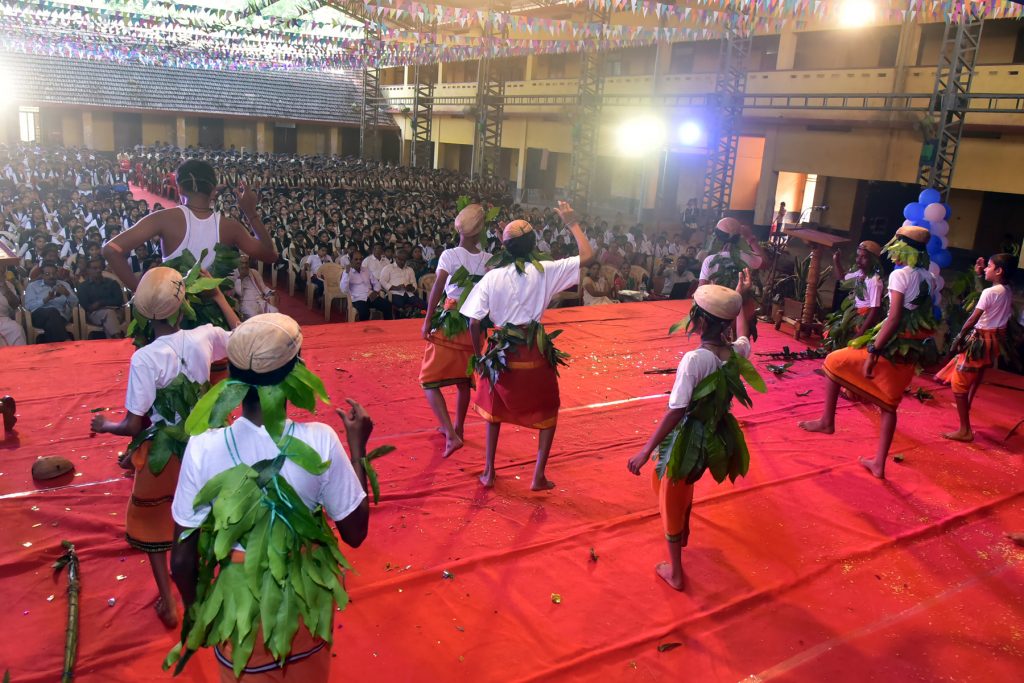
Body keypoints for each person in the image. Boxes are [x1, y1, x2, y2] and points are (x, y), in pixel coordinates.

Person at [169, 314, 372, 681]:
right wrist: (358, 450)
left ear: (231, 380)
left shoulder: (202, 448)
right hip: (303, 608)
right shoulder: (320, 440)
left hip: (237, 612)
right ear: (297, 374)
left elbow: (182, 559)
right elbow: (355, 532)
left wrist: (197, 610)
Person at [90, 266, 240, 628]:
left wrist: (105, 425)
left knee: (155, 519)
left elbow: (133, 424)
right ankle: (211, 585)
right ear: (182, 305)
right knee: (208, 513)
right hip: (207, 442)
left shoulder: (144, 358)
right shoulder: (205, 335)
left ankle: (169, 602)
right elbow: (242, 337)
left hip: (166, 450)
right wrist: (219, 296)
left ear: (142, 315)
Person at [626, 272, 759, 590]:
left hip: (689, 436)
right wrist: (740, 299)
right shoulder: (735, 353)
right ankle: (682, 533)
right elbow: (744, 333)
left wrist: (645, 450)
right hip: (715, 432)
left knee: (671, 494)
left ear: (699, 321)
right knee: (681, 487)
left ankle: (676, 572)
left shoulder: (695, 360)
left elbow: (676, 410)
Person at [461, 201, 594, 490]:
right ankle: (538, 476)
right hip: (533, 348)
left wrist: (478, 355)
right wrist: (571, 222)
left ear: (505, 248)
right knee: (547, 409)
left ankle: (489, 471)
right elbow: (587, 255)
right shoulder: (545, 270)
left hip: (499, 351)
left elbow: (473, 322)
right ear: (535, 246)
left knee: (494, 411)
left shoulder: (492, 277)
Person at [799, 225, 937, 479]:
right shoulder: (929, 277)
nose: (891, 253)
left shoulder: (899, 275)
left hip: (890, 344)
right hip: (908, 350)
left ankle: (827, 421)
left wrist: (873, 349)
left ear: (903, 248)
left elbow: (893, 317)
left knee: (833, 361)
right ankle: (879, 464)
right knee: (889, 404)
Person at [103, 159, 278, 290]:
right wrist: (250, 212)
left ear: (179, 188)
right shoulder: (230, 227)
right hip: (215, 315)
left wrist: (141, 292)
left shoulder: (163, 219)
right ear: (213, 190)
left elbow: (111, 250)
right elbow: (270, 255)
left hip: (172, 314)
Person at [419, 204, 491, 458]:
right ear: (479, 231)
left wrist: (427, 319)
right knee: (463, 381)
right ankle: (458, 428)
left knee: (427, 380)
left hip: (451, 325)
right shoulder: (488, 259)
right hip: (474, 326)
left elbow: (438, 288)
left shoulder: (449, 255)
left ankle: (451, 434)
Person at [936, 253, 1016, 442]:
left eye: (989, 266)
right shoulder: (1007, 290)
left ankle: (965, 430)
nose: (985, 268)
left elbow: (973, 318)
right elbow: (990, 295)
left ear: (999, 270)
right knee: (977, 375)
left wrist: (957, 340)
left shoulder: (990, 292)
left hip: (980, 341)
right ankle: (968, 405)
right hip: (994, 340)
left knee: (959, 383)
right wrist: (979, 275)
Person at [699, 217, 766, 338]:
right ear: (739, 238)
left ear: (717, 237)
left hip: (717, 312)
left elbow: (701, 290)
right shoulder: (747, 257)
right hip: (741, 310)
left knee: (717, 341)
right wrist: (750, 238)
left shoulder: (710, 260)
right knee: (740, 341)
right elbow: (765, 262)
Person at [826, 240, 884, 348]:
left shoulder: (874, 281)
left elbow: (875, 309)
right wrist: (836, 260)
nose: (858, 260)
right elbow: (842, 278)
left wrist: (860, 333)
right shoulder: (860, 273)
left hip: (864, 318)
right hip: (855, 312)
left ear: (873, 260)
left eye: (864, 257)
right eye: (858, 256)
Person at [24, 263, 77, 342]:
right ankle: (66, 340)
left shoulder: (64, 285)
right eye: (47, 274)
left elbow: (75, 303)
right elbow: (28, 306)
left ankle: (57, 345)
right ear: (42, 275)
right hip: (38, 316)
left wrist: (67, 294)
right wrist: (46, 300)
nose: (51, 276)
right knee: (52, 311)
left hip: (61, 316)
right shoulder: (33, 286)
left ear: (57, 273)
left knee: (51, 322)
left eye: (54, 273)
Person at [76, 257, 125, 338]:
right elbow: (86, 305)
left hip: (116, 312)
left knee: (109, 316)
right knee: (108, 314)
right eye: (95, 268)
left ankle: (115, 340)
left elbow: (118, 300)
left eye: (100, 268)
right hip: (95, 314)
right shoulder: (83, 286)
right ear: (88, 270)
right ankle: (117, 338)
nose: (98, 270)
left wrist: (100, 303)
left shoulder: (112, 283)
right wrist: (99, 306)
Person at [341, 251, 393, 321]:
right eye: (356, 259)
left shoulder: (366, 270)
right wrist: (347, 274)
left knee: (387, 305)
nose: (359, 261)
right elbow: (344, 290)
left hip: (370, 296)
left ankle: (389, 326)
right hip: (358, 298)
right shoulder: (347, 272)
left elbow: (376, 283)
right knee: (364, 313)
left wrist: (375, 292)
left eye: (360, 259)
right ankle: (365, 328)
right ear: (350, 260)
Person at [233, 253, 278, 320]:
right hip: (246, 303)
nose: (244, 265)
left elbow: (263, 288)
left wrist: (270, 293)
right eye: (242, 263)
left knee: (275, 311)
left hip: (260, 301)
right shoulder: (235, 274)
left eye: (246, 263)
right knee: (254, 316)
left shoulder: (254, 272)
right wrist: (241, 277)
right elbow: (238, 293)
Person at [380, 249, 423, 318]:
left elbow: (413, 282)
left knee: (423, 304)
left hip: (409, 294)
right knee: (400, 305)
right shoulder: (388, 268)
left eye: (404, 260)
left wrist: (412, 288)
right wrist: (395, 287)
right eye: (400, 259)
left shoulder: (410, 269)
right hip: (394, 293)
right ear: (395, 258)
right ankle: (404, 317)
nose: (402, 262)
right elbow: (382, 281)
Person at [0, 271, 26, 346]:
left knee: (17, 330)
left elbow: (15, 305)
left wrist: (4, 287)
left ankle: (20, 354)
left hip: (3, 319)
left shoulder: (8, 285)